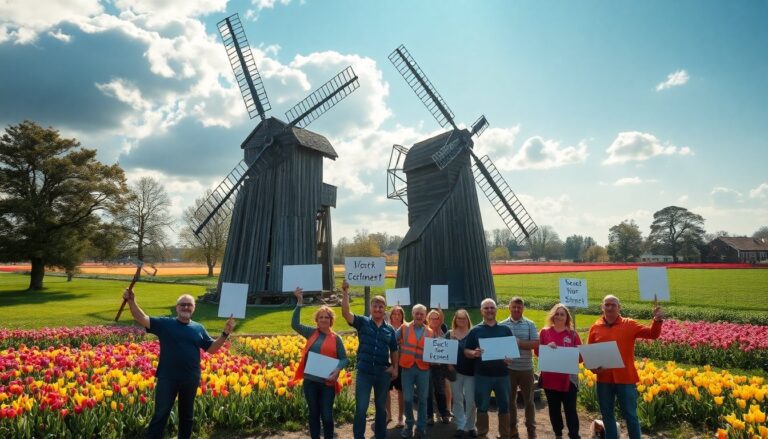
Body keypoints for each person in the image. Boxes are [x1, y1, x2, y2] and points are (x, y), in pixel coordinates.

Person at [122, 288, 235, 439]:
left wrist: (225, 333)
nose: (186, 307)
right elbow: (141, 318)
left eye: (189, 305)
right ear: (177, 308)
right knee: (161, 414)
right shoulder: (165, 323)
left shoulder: (198, 328)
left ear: (194, 308)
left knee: (187, 416)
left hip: (190, 378)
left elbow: (212, 349)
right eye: (183, 304)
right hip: (168, 377)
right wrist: (131, 301)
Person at [588, 294, 664, 439]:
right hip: (604, 379)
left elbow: (652, 334)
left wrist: (657, 320)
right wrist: (593, 368)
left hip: (626, 379)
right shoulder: (595, 327)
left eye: (613, 305)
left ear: (619, 307)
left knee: (630, 415)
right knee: (607, 414)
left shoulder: (629, 324)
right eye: (607, 304)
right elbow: (590, 354)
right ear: (602, 307)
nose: (610, 307)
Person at [341, 279, 399, 439]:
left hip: (382, 372)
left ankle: (380, 435)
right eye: (375, 306)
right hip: (365, 372)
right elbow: (346, 313)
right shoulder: (363, 322)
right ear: (371, 308)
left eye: (381, 306)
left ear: (384, 309)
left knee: (381, 407)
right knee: (361, 407)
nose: (378, 309)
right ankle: (359, 436)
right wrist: (345, 292)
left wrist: (395, 367)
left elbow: (394, 350)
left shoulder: (390, 330)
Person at [291, 287, 349, 439]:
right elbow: (295, 324)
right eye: (321, 317)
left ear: (331, 320)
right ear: (316, 320)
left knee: (327, 416)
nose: (324, 319)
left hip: (327, 383)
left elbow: (345, 358)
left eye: (327, 317)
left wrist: (337, 370)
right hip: (310, 381)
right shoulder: (311, 332)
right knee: (313, 414)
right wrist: (299, 302)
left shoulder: (336, 339)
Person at [464, 298, 515, 439]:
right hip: (482, 376)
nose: (489, 310)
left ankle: (504, 435)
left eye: (492, 307)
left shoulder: (505, 330)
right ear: (481, 311)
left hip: (503, 375)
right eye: (486, 308)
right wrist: (473, 353)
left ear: (496, 310)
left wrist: (510, 358)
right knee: (482, 406)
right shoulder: (475, 331)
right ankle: (482, 433)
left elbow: (511, 353)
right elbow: (466, 351)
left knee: (504, 406)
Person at [538, 304, 582, 439]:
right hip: (550, 378)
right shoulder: (544, 332)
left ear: (567, 317)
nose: (559, 316)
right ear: (552, 315)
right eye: (556, 314)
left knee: (571, 410)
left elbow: (580, 357)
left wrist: (569, 355)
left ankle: (574, 435)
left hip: (568, 380)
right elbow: (537, 352)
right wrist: (546, 347)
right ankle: (558, 433)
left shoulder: (573, 334)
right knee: (554, 409)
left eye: (562, 314)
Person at [500, 297, 539, 439]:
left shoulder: (530, 324)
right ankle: (512, 429)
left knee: (529, 401)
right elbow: (499, 346)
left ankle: (531, 429)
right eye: (514, 307)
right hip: (508, 369)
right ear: (509, 307)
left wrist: (519, 342)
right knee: (510, 400)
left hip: (526, 368)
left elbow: (536, 344)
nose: (516, 309)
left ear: (523, 308)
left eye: (519, 307)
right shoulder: (502, 325)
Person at [397, 304, 433, 439]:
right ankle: (409, 424)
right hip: (407, 368)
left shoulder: (430, 332)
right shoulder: (404, 328)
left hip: (424, 369)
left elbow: (434, 350)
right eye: (416, 313)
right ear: (412, 314)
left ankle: (421, 428)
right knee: (407, 399)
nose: (419, 316)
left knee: (423, 399)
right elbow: (391, 340)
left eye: (421, 314)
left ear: (425, 316)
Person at [446, 309, 477, 438]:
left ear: (467, 319)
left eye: (464, 318)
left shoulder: (473, 333)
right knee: (457, 399)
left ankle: (471, 426)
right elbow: (444, 351)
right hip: (456, 371)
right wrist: (449, 365)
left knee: (470, 400)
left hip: (470, 372)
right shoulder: (450, 334)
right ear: (455, 320)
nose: (461, 321)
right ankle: (460, 425)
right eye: (459, 318)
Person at [426, 308, 451, 425]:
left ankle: (444, 414)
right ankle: (429, 416)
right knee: (428, 391)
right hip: (427, 366)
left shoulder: (444, 332)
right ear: (428, 319)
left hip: (440, 367)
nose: (434, 320)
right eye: (432, 318)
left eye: (437, 318)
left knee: (440, 390)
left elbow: (449, 348)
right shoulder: (424, 331)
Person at [388, 305, 407, 428]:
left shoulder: (406, 328)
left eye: (398, 314)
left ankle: (401, 417)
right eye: (394, 314)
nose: (396, 316)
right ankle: (388, 414)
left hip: (401, 363)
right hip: (387, 363)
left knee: (401, 391)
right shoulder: (386, 328)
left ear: (402, 316)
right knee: (386, 390)